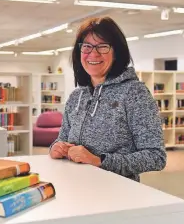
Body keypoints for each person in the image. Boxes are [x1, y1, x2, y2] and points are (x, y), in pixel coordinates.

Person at [49, 16, 166, 182]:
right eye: (87, 47)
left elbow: (156, 156)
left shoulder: (135, 93)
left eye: (102, 47)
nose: (93, 54)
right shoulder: (77, 96)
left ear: (117, 52)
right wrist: (56, 147)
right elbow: (63, 138)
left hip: (117, 193)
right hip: (76, 187)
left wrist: (99, 161)